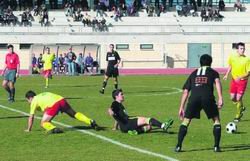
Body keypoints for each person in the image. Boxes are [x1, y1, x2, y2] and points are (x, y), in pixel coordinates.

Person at [175, 54, 223, 152]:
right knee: (216, 120)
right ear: (211, 62)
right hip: (208, 98)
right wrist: (220, 98)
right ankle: (216, 147)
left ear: (200, 63)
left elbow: (185, 91)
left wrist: (181, 107)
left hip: (194, 99)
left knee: (186, 121)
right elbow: (217, 82)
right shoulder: (213, 72)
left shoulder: (193, 73)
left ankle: (178, 146)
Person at [25, 90, 100, 133]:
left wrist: (29, 129)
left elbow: (31, 117)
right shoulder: (42, 94)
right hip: (61, 100)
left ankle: (54, 129)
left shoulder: (34, 100)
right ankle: (90, 121)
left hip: (54, 104)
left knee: (43, 123)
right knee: (74, 114)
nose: (28, 102)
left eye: (27, 100)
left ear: (30, 98)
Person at [108, 89, 174, 135]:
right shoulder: (115, 103)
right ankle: (163, 126)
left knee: (149, 127)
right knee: (147, 119)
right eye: (121, 94)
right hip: (128, 123)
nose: (123, 95)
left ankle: (136, 131)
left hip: (124, 127)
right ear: (116, 96)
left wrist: (115, 127)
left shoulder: (119, 105)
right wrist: (110, 111)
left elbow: (117, 117)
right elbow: (111, 109)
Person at [223, 42, 250, 122]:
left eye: (244, 48)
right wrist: (226, 75)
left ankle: (238, 115)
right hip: (234, 80)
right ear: (237, 50)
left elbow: (248, 73)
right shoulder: (232, 57)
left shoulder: (247, 59)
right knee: (232, 98)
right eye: (241, 48)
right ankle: (241, 107)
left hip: (242, 81)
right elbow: (230, 66)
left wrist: (240, 77)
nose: (243, 50)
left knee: (238, 98)